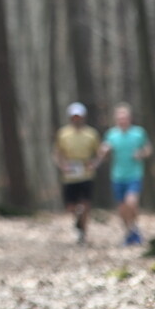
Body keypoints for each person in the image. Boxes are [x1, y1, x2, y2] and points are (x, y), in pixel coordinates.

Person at [100, 102, 152, 246]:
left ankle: (134, 229)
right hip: (117, 176)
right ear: (116, 119)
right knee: (122, 209)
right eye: (119, 118)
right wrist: (105, 151)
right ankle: (130, 232)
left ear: (130, 118)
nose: (122, 120)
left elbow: (148, 149)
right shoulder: (111, 135)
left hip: (134, 174)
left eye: (124, 118)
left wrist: (141, 153)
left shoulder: (138, 133)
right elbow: (103, 155)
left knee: (131, 203)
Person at [52, 102, 101, 244]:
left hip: (86, 174)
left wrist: (94, 163)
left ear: (83, 117)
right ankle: (78, 222)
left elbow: (99, 153)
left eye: (79, 117)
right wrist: (62, 165)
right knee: (71, 206)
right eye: (74, 117)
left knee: (85, 204)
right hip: (70, 175)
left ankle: (83, 232)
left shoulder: (91, 134)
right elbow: (57, 153)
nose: (76, 119)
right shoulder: (63, 134)